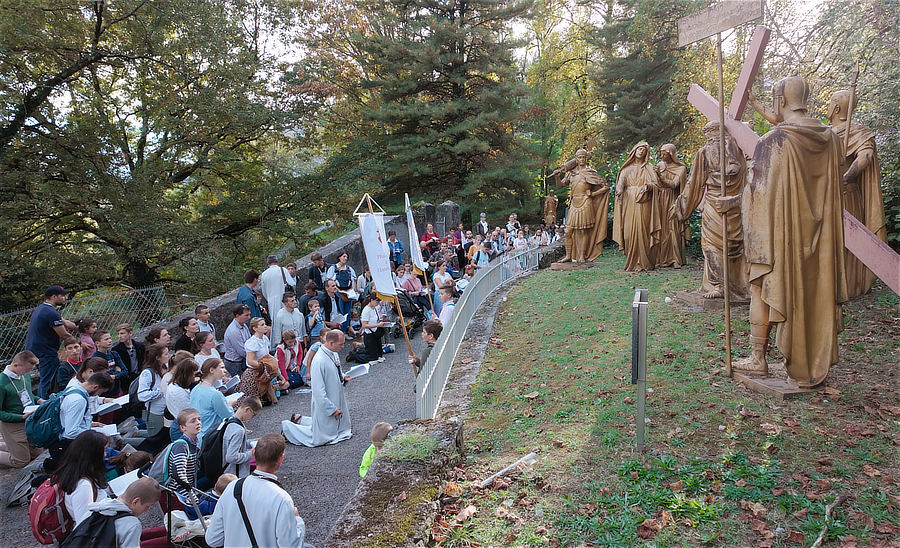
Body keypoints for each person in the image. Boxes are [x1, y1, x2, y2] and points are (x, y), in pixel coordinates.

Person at [741, 75, 847, 387]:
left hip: (781, 236)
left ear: (782, 101)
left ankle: (758, 358)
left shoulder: (773, 142)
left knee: (760, 286)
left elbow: (756, 193)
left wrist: (731, 204)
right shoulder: (831, 139)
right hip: (819, 240)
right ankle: (814, 359)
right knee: (816, 292)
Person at [674, 123, 750, 298]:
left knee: (720, 245)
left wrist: (681, 208)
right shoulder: (717, 151)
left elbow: (694, 183)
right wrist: (682, 206)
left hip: (730, 205)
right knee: (711, 245)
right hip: (716, 204)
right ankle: (719, 285)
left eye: (713, 137)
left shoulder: (730, 149)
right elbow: (695, 182)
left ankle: (726, 286)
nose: (712, 141)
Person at [826, 89, 887, 299]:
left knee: (847, 240)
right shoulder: (827, 133)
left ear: (835, 107)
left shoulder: (858, 131)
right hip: (826, 196)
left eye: (829, 103)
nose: (827, 106)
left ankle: (849, 285)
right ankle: (831, 285)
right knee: (830, 242)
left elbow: (865, 156)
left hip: (846, 195)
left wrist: (847, 176)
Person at [205, 433, 309, 548]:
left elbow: (213, 540)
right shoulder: (281, 498)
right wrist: (297, 521)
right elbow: (291, 545)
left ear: (253, 454)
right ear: (281, 458)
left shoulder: (232, 487)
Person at [282, 329, 352, 447]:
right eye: (341, 344)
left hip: (335, 395)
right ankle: (289, 430)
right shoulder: (319, 360)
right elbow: (318, 390)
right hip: (325, 401)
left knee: (333, 429)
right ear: (331, 343)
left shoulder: (334, 353)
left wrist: (343, 377)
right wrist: (331, 409)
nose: (343, 347)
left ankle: (300, 420)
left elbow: (336, 372)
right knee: (319, 436)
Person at [46, 372, 113, 472]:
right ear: (95, 387)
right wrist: (95, 434)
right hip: (66, 446)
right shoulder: (78, 400)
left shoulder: (75, 389)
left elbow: (68, 418)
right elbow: (71, 432)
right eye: (100, 392)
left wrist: (90, 425)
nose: (99, 395)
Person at [72, 477, 163, 548]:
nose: (147, 510)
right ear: (136, 501)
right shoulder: (131, 523)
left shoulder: (94, 509)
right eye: (147, 506)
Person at [612, 141, 660, 271]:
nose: (641, 151)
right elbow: (620, 184)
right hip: (629, 202)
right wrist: (619, 190)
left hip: (644, 202)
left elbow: (656, 185)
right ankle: (632, 261)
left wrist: (648, 187)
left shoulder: (649, 168)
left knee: (643, 230)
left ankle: (644, 262)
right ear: (634, 150)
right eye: (639, 149)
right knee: (628, 232)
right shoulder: (626, 169)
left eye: (644, 150)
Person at [51, 430, 111, 527]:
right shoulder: (83, 485)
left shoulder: (79, 474)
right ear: (93, 455)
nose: (105, 455)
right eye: (103, 451)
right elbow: (84, 523)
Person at [25, 285, 76, 398]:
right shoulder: (50, 313)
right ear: (53, 296)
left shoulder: (42, 308)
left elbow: (64, 322)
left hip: (34, 350)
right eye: (62, 295)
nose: (65, 298)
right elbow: (63, 334)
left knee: (45, 379)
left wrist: (78, 327)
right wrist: (79, 343)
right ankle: (46, 406)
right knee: (49, 380)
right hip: (45, 352)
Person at [0, 351, 44, 469]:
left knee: (38, 454)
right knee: (21, 461)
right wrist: (20, 417)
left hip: (29, 420)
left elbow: (26, 394)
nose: (28, 373)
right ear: (16, 365)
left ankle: (9, 446)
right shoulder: (2, 383)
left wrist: (39, 400)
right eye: (26, 370)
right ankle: (10, 446)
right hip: (13, 424)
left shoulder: (24, 375)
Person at [654, 143, 688, 268]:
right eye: (661, 154)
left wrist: (660, 176)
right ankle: (661, 258)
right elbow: (656, 183)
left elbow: (674, 184)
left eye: (665, 154)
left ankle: (675, 258)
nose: (662, 156)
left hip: (672, 199)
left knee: (673, 227)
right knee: (661, 227)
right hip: (659, 199)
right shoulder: (660, 165)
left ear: (672, 154)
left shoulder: (681, 168)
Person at [190, 359, 235, 441]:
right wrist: (230, 405)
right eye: (222, 367)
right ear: (211, 370)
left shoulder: (195, 389)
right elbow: (228, 416)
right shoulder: (215, 394)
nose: (224, 371)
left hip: (199, 435)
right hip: (212, 436)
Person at [165, 408, 202, 503]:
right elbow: (179, 475)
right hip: (179, 495)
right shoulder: (182, 445)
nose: (198, 423)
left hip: (187, 491)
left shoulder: (193, 442)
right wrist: (192, 497)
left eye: (199, 419)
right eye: (193, 421)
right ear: (182, 428)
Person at [134, 343, 168, 441]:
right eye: (165, 354)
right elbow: (142, 395)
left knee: (164, 437)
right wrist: (161, 391)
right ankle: (125, 441)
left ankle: (138, 433)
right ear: (157, 357)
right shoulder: (148, 373)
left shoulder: (165, 367)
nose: (168, 356)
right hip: (155, 413)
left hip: (166, 411)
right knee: (155, 440)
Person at [221, 396, 261, 477]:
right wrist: (251, 453)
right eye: (253, 415)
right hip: (235, 473)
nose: (252, 418)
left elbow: (235, 444)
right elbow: (231, 457)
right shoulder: (239, 430)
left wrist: (251, 442)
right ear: (247, 409)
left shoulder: (230, 420)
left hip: (225, 469)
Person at [347, 296, 388, 364]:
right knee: (371, 357)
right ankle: (355, 356)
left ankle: (358, 351)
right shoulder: (366, 310)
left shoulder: (374, 308)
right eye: (377, 301)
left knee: (378, 353)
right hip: (369, 334)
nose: (378, 303)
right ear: (371, 300)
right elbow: (364, 325)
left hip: (375, 333)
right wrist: (378, 325)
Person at [165, 358, 196, 441]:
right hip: (182, 430)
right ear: (186, 375)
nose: (194, 377)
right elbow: (189, 412)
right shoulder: (177, 392)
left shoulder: (176, 385)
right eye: (192, 374)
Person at [223, 304, 252, 377]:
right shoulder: (233, 331)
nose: (249, 317)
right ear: (237, 316)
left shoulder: (244, 325)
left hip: (242, 361)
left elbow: (249, 341)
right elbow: (242, 351)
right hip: (234, 363)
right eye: (246, 315)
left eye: (249, 315)